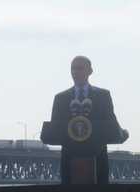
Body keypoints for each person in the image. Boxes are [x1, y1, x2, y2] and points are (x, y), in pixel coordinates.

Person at [42, 55, 129, 184]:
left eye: (80, 68)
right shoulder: (61, 98)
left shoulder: (103, 96)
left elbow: (110, 123)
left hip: (98, 161)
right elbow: (56, 128)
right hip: (69, 161)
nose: (75, 72)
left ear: (90, 71)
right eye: (73, 68)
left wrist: (122, 134)